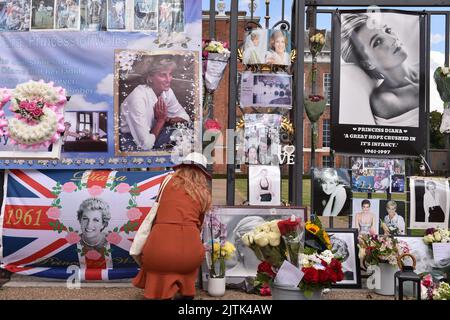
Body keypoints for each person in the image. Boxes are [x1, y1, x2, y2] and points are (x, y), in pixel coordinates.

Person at [132, 152, 212, 300]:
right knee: (185, 267)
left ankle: (159, 291)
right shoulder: (204, 193)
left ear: (181, 167)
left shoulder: (167, 180)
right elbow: (199, 225)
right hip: (190, 254)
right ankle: (185, 292)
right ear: (203, 172)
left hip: (159, 251)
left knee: (158, 265)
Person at [341, 14, 419, 127]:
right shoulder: (385, 100)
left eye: (388, 30)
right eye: (377, 42)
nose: (392, 39)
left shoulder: (428, 72)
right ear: (367, 63)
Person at [119, 57, 190, 151]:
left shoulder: (167, 92)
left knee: (188, 130)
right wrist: (161, 120)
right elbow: (145, 145)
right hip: (130, 139)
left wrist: (171, 119)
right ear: (150, 78)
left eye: (170, 74)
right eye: (163, 75)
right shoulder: (138, 98)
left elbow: (185, 117)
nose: (168, 80)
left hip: (153, 134)